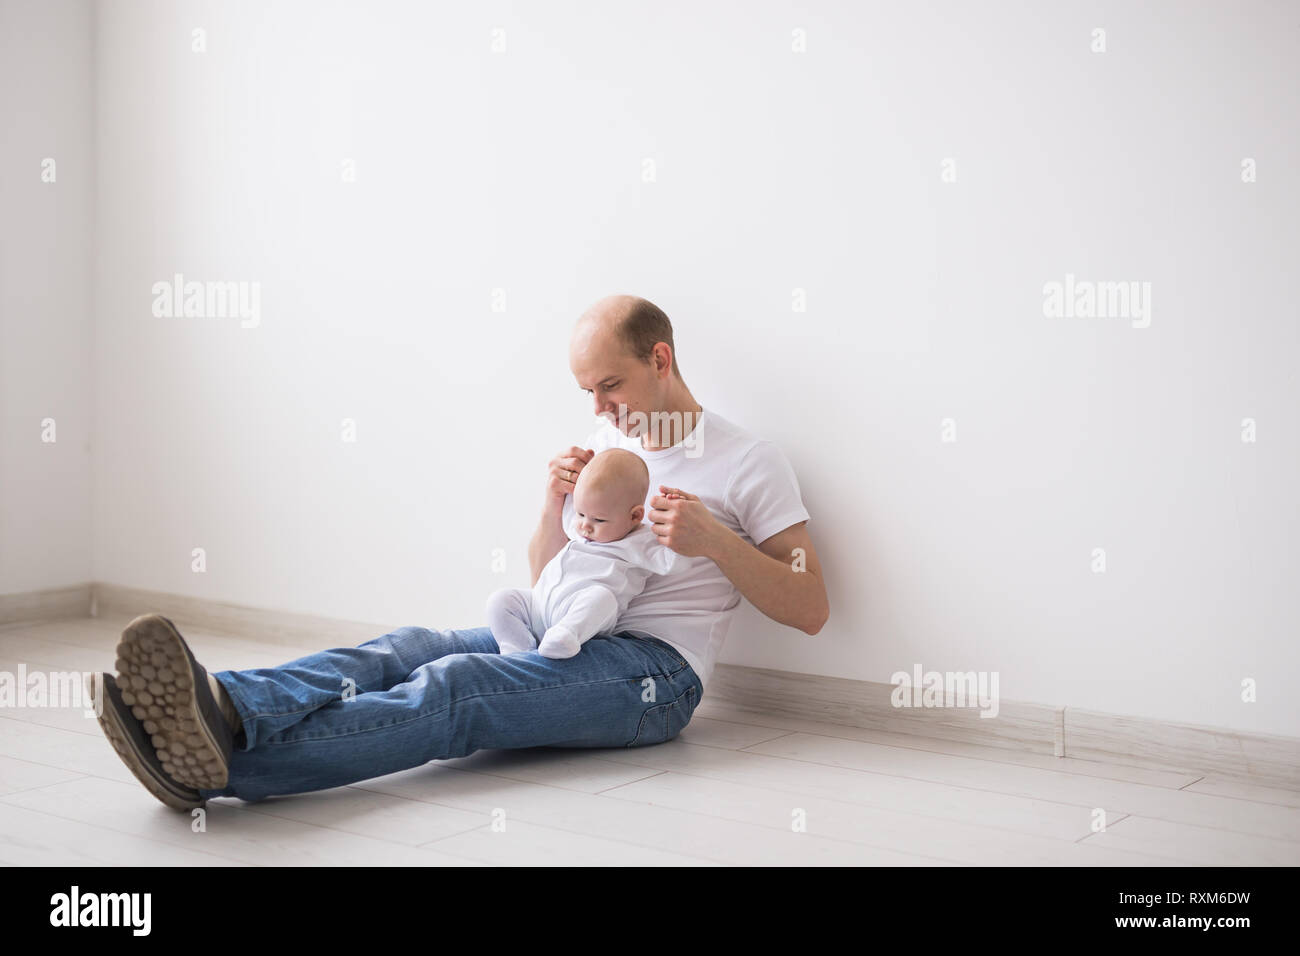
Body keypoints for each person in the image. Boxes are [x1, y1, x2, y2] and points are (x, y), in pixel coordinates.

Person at [89, 294, 831, 808]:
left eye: (612, 386)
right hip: (564, 623)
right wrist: (552, 505)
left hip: (652, 676)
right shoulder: (609, 449)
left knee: (458, 687)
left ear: (661, 359)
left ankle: (222, 767)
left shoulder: (746, 462)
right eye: (587, 392)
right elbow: (549, 578)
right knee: (411, 646)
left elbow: (811, 609)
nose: (600, 410)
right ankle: (228, 703)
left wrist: (715, 544)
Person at [485, 447, 680, 659]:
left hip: (580, 614)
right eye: (580, 514)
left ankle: (567, 636)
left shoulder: (641, 541)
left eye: (599, 520)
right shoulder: (579, 521)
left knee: (602, 598)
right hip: (538, 607)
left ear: (634, 516)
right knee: (500, 599)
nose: (585, 526)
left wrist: (675, 528)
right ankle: (517, 650)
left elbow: (673, 563)